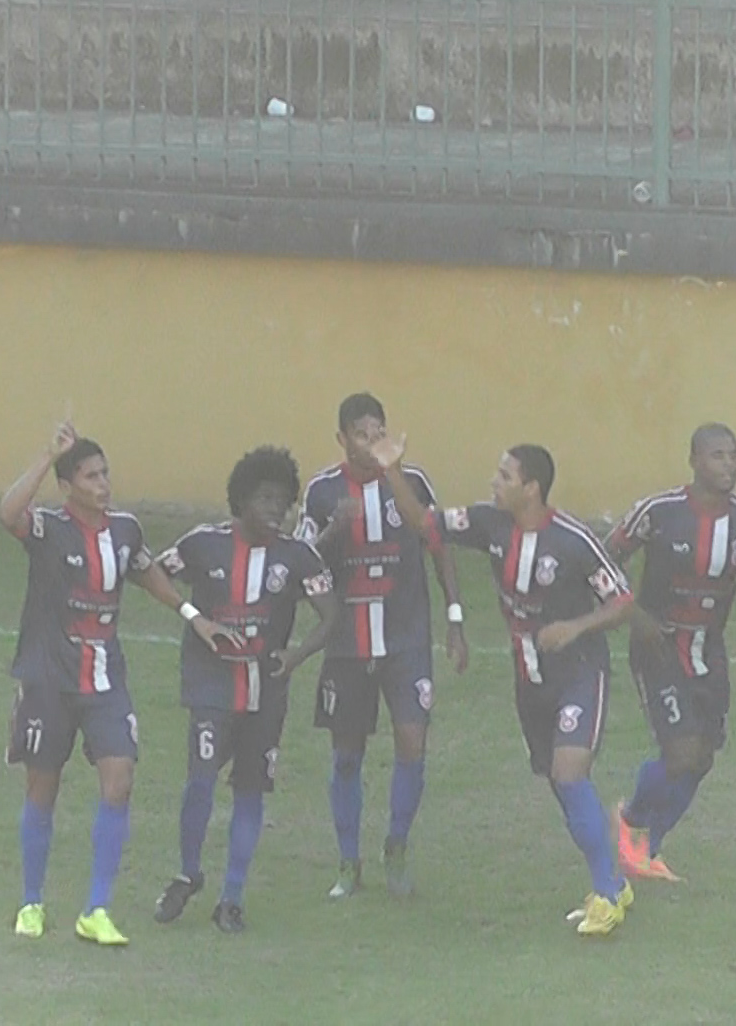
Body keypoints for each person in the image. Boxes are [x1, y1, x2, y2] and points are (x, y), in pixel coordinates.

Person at [374, 436, 639, 936]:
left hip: (580, 671)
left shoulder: (572, 540)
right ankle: (614, 884)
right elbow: (426, 524)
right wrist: (393, 471)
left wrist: (575, 627)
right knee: (560, 784)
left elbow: (622, 601)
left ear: (532, 488)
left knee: (569, 772)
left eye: (504, 476)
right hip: (530, 678)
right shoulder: (488, 524)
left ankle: (606, 893)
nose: (494, 483)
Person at [0, 421, 236, 947]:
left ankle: (96, 909)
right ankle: (31, 902)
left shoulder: (125, 530)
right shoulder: (47, 528)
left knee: (120, 779)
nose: (103, 483)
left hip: (104, 678)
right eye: (90, 475)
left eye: (105, 473)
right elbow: (7, 513)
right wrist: (46, 455)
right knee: (43, 788)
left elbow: (146, 570)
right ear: (67, 486)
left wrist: (193, 614)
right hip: (46, 679)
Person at [152, 446, 341, 933]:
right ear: (240, 499)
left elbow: (333, 615)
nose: (276, 509)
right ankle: (188, 872)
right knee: (200, 779)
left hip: (266, 692)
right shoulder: (202, 544)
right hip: (212, 685)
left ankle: (231, 897)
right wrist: (193, 617)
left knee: (251, 791)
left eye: (283, 500)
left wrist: (296, 656)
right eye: (264, 498)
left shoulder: (298, 556)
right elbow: (148, 572)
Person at [296, 393, 468, 899]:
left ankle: (397, 846)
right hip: (348, 644)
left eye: (379, 433)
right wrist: (333, 529)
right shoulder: (322, 491)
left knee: (412, 742)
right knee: (347, 755)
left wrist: (455, 618)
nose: (372, 444)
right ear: (342, 439)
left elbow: (438, 546)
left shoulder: (411, 483)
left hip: (405, 638)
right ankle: (348, 862)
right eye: (361, 435)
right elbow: (300, 562)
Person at [606, 423, 736, 883]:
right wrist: (631, 611)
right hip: (658, 645)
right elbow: (603, 560)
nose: (728, 465)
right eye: (717, 456)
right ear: (695, 460)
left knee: (702, 759)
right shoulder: (658, 512)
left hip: (708, 648)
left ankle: (647, 849)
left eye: (733, 455)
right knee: (680, 753)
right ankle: (632, 819)